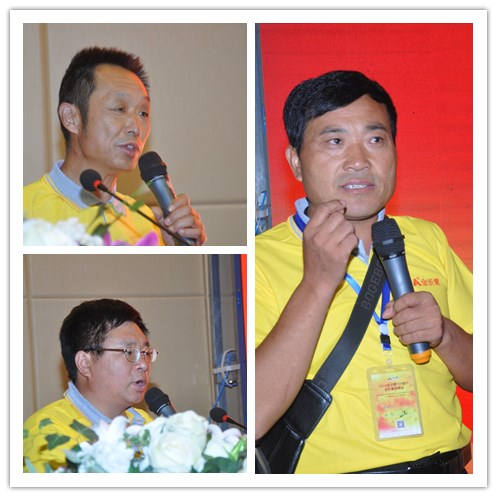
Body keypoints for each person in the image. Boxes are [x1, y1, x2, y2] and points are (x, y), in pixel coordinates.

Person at [255, 70, 473, 473]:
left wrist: (445, 333)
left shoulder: (427, 238)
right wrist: (317, 283)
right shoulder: (259, 259)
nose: (359, 161)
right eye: (335, 141)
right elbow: (253, 417)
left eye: (376, 140)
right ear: (295, 162)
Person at [23, 46, 206, 246]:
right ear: (71, 118)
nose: (136, 127)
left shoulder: (150, 224)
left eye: (143, 113)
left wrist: (176, 249)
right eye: (119, 108)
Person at [23, 299, 158, 472]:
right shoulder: (46, 431)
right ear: (85, 363)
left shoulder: (145, 423)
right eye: (129, 352)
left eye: (146, 353)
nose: (144, 364)